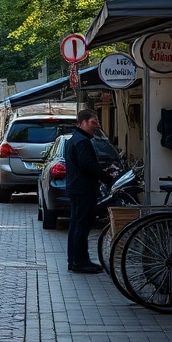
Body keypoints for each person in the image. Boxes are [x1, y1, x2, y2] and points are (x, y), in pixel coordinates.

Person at [65, 109, 108, 274]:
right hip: (83, 189)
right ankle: (79, 261)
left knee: (77, 224)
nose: (96, 125)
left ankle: (77, 259)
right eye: (93, 122)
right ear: (82, 122)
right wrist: (104, 175)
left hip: (77, 187)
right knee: (82, 224)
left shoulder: (75, 139)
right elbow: (86, 164)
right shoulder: (82, 141)